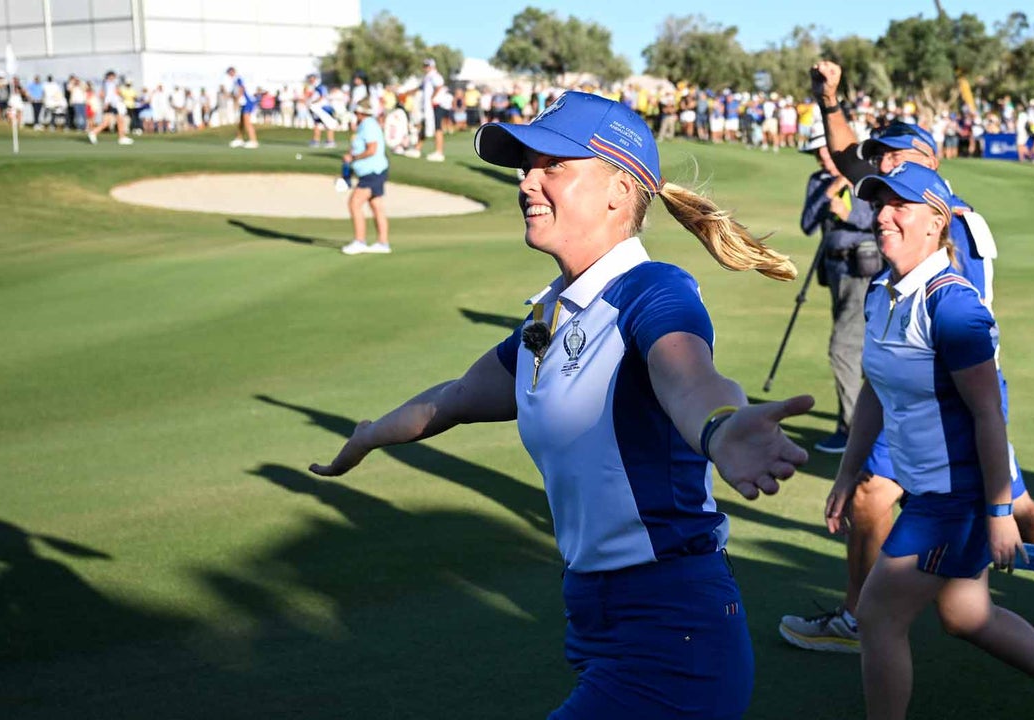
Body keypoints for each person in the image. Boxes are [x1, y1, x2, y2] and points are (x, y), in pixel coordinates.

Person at [311, 91, 813, 719]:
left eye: (554, 165)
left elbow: (688, 373)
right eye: (526, 165)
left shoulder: (652, 290)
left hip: (672, 632)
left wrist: (719, 429)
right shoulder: (551, 314)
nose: (526, 181)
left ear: (619, 192)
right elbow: (459, 398)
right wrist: (369, 434)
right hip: (598, 622)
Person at [781, 62, 1034, 681]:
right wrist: (827, 98)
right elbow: (844, 157)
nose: (880, 168)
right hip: (914, 388)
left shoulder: (954, 224)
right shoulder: (906, 199)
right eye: (880, 159)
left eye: (892, 158)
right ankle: (866, 616)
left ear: (928, 160)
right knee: (935, 517)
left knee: (982, 509)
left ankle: (866, 618)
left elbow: (957, 327)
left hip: (948, 393)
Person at [844, 161, 1034, 720]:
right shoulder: (882, 292)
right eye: (879, 204)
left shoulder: (954, 306)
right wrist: (847, 470)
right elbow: (875, 390)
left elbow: (987, 414)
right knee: (966, 614)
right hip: (927, 489)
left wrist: (1000, 511)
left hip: (958, 495)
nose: (883, 216)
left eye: (900, 205)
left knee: (877, 615)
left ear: (936, 222)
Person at [799, 127, 881, 454]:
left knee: (843, 348)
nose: (822, 157)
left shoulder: (865, 179)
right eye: (817, 153)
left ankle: (851, 429)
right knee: (855, 347)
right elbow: (807, 224)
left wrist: (848, 213)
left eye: (825, 150)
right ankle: (870, 420)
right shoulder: (819, 181)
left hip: (862, 268)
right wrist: (830, 190)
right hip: (833, 271)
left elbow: (878, 220)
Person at [339, 99, 392, 255]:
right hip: (374, 171)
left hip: (372, 172)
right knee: (376, 205)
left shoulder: (368, 125)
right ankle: (383, 243)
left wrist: (353, 158)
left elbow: (372, 149)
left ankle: (360, 241)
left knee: (354, 203)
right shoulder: (366, 125)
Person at [86, 70, 133, 145]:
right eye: (113, 76)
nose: (114, 77)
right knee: (113, 121)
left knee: (117, 121)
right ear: (110, 76)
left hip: (112, 104)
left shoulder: (107, 83)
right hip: (112, 104)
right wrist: (107, 103)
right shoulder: (109, 84)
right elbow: (109, 95)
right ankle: (94, 133)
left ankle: (122, 137)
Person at [225, 67, 258, 149]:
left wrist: (237, 100)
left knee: (247, 122)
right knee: (241, 122)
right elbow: (235, 93)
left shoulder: (238, 78)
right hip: (244, 103)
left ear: (232, 72)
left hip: (248, 102)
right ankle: (239, 139)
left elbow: (241, 89)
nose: (229, 75)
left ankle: (253, 141)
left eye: (230, 73)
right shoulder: (235, 81)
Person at [305, 73, 338, 148]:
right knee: (317, 124)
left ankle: (330, 141)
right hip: (316, 109)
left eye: (312, 78)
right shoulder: (312, 87)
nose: (310, 80)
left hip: (324, 108)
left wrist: (313, 102)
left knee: (329, 124)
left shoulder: (320, 86)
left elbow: (322, 96)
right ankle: (316, 140)